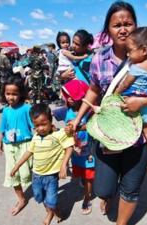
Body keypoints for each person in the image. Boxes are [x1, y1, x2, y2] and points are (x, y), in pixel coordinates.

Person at [70, 2, 147, 224]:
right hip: (110, 134)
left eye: (128, 23)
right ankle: (108, 196)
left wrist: (144, 101)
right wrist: (77, 119)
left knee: (131, 188)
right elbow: (93, 90)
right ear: (108, 29)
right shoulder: (99, 58)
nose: (123, 29)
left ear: (136, 25)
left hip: (140, 136)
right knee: (103, 189)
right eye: (117, 25)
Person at [10, 104, 74, 225]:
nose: (40, 128)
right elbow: (29, 151)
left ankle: (50, 213)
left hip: (51, 176)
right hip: (37, 175)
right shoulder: (35, 137)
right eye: (37, 126)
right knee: (39, 197)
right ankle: (51, 209)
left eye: (43, 124)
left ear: (50, 121)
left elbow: (69, 147)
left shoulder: (58, 134)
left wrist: (63, 165)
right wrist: (17, 165)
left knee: (52, 199)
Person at [114, 27, 147, 173]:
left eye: (130, 50)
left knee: (122, 124)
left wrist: (115, 94)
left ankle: (114, 149)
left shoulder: (137, 67)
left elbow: (125, 84)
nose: (128, 54)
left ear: (144, 50)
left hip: (133, 103)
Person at [0, 75, 34, 216]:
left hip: (26, 145)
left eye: (14, 94)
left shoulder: (27, 108)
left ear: (21, 93)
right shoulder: (6, 110)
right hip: (9, 146)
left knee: (27, 172)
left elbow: (35, 126)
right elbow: (3, 126)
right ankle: (21, 199)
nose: (10, 97)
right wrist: (0, 140)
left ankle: (41, 191)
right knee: (12, 174)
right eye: (8, 94)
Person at [61, 79, 95, 215]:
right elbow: (67, 129)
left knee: (88, 176)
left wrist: (78, 126)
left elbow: (93, 126)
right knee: (80, 174)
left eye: (72, 95)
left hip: (89, 151)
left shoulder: (89, 111)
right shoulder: (68, 111)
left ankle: (87, 198)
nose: (68, 98)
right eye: (66, 95)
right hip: (75, 152)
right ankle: (85, 183)